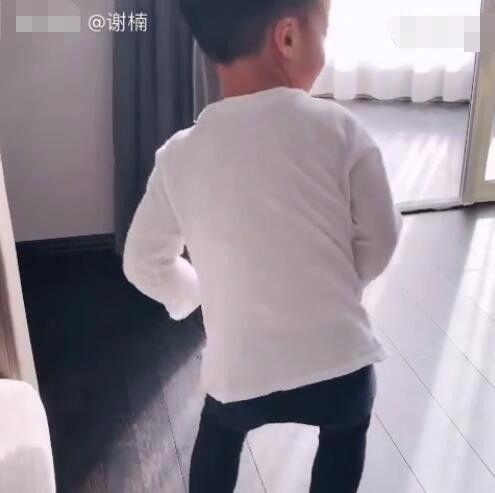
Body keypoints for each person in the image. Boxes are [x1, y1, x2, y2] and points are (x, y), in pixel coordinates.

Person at [122, 0, 402, 491]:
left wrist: (197, 292)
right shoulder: (340, 129)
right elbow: (382, 234)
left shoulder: (180, 155)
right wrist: (336, 284)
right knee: (346, 429)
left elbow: (143, 262)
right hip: (339, 361)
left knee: (219, 432)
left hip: (239, 370)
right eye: (324, 32)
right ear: (288, 38)